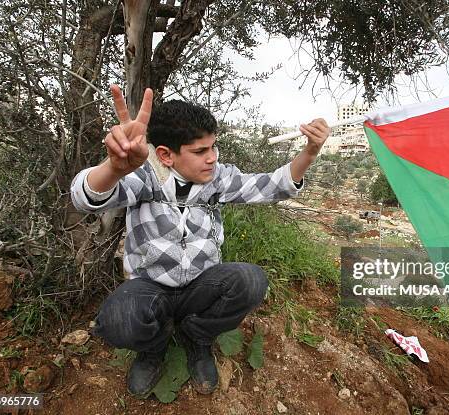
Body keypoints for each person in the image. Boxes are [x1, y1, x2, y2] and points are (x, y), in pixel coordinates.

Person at [70, 85, 330, 397]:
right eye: (200, 152)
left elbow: (272, 186)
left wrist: (310, 152)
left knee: (250, 280)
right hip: (152, 286)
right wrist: (114, 167)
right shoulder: (144, 176)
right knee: (118, 320)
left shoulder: (217, 178)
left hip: (200, 287)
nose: (211, 159)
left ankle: (198, 338)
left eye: (214, 148)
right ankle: (154, 347)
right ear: (166, 155)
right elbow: (87, 198)